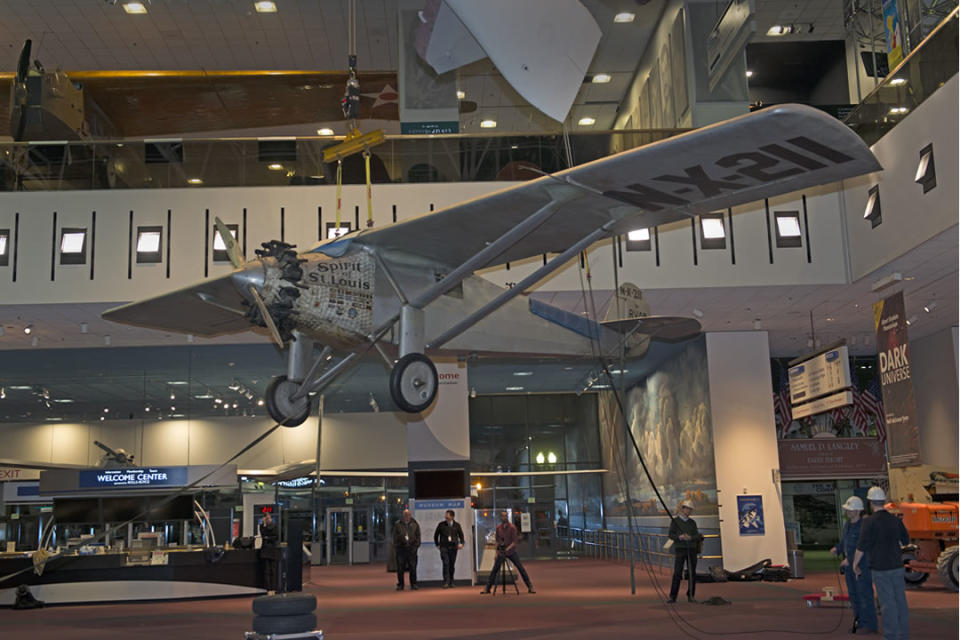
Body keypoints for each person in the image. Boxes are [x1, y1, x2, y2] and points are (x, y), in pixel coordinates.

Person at [854, 486, 910, 640]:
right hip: (897, 566)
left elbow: (862, 546)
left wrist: (854, 564)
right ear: (884, 501)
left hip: (880, 568)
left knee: (887, 604)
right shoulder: (895, 520)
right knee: (900, 602)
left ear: (871, 502)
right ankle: (903, 635)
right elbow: (905, 540)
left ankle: (891, 636)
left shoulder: (869, 522)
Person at [831, 496, 878, 634]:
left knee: (865, 595)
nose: (847, 512)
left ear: (857, 511)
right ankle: (859, 621)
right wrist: (837, 549)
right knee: (853, 595)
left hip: (861, 567)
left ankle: (870, 625)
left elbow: (862, 548)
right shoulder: (847, 525)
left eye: (850, 509)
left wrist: (850, 561)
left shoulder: (864, 527)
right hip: (849, 568)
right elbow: (844, 541)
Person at [481, 510, 535, 594]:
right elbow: (497, 541)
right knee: (495, 569)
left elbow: (514, 542)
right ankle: (487, 588)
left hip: (511, 552)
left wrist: (507, 549)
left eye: (505, 516)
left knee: (520, 568)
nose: (504, 517)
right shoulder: (498, 528)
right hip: (501, 552)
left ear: (507, 517)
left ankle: (530, 586)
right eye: (502, 516)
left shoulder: (512, 527)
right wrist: (496, 552)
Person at [667, 499, 703, 603]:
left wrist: (691, 538)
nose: (689, 511)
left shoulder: (692, 523)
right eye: (687, 508)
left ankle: (691, 595)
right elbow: (671, 534)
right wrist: (680, 537)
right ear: (682, 509)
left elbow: (697, 535)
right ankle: (673, 596)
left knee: (692, 573)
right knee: (677, 573)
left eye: (690, 509)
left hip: (691, 549)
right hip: (680, 549)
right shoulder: (675, 521)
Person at [433, 509, 465, 588]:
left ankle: (451, 581)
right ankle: (446, 582)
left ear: (452, 516)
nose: (446, 517)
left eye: (447, 515)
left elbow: (461, 536)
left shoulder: (457, 525)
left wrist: (461, 543)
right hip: (444, 548)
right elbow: (436, 535)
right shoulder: (441, 525)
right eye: (445, 515)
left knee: (451, 565)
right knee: (446, 563)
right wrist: (437, 544)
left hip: (454, 548)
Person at [392, 509, 421, 590]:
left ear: (410, 515)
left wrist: (416, 546)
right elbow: (394, 536)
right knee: (400, 568)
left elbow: (418, 536)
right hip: (401, 550)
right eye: (405, 515)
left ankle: (413, 584)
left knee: (413, 568)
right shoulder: (398, 524)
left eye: (408, 515)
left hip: (412, 550)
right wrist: (397, 546)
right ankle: (401, 584)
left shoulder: (415, 524)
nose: (407, 516)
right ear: (403, 515)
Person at [258, 511, 279, 594]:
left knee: (273, 570)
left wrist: (267, 538)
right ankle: (268, 588)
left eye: (268, 518)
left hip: (272, 550)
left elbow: (276, 537)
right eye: (266, 519)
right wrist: (264, 525)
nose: (267, 520)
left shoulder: (274, 526)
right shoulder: (262, 526)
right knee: (266, 570)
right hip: (265, 551)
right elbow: (263, 535)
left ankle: (273, 588)